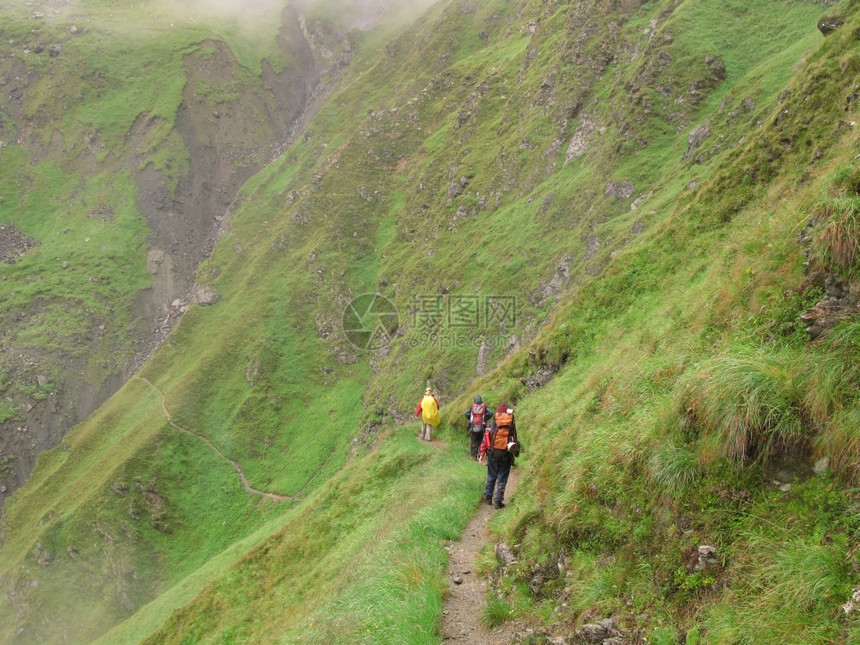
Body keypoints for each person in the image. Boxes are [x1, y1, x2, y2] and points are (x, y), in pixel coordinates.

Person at [478, 403, 519, 509]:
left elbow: (484, 441)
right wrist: (516, 454)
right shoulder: (510, 426)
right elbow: (515, 441)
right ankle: (498, 501)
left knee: (491, 476)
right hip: (506, 455)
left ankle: (488, 497)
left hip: (492, 454)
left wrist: (482, 454)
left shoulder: (491, 425)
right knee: (502, 478)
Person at [463, 395, 491, 460]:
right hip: (482, 427)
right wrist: (485, 419)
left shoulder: (472, 407)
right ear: (481, 400)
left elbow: (466, 413)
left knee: (473, 441)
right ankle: (481, 455)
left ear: (475, 400)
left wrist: (470, 419)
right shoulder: (484, 406)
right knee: (482, 441)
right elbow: (490, 413)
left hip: (473, 426)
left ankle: (473, 456)